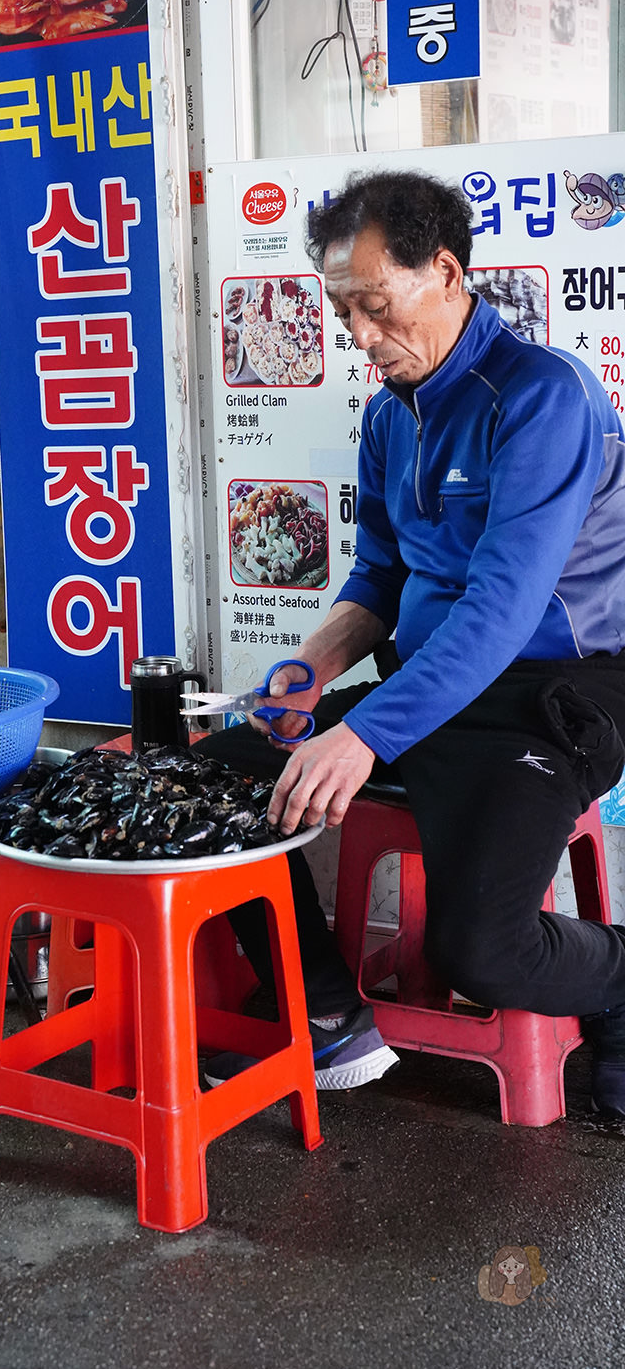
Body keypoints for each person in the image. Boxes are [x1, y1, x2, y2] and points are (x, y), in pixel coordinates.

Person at [199, 169, 625, 1116]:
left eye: (375, 305)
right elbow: (380, 579)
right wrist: (307, 672)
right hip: (431, 687)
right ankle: (326, 1011)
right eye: (342, 312)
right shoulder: (391, 416)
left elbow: (502, 610)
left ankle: (620, 981)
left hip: (553, 697)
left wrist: (362, 733)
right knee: (215, 776)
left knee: (483, 951)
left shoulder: (543, 398)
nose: (359, 335)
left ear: (444, 272)